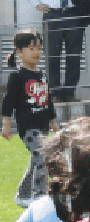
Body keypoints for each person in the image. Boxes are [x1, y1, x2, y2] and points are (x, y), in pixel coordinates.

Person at [2, 29, 60, 208]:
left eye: (39, 48)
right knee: (41, 156)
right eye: (31, 48)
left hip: (42, 125)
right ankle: (41, 197)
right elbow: (8, 101)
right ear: (19, 51)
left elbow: (47, 100)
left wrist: (53, 121)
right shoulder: (17, 76)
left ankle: (23, 193)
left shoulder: (41, 75)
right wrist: (6, 124)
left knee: (38, 159)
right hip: (28, 127)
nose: (37, 52)